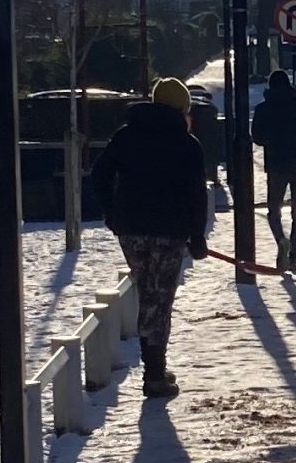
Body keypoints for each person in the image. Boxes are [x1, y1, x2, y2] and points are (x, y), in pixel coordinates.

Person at [88, 76, 210, 399]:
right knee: (160, 299)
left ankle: (154, 367)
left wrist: (112, 212)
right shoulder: (187, 144)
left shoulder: (126, 137)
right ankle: (154, 373)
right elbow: (198, 195)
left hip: (131, 230)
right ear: (181, 108)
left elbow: (99, 175)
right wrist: (197, 236)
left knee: (146, 294)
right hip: (170, 232)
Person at [251, 68, 296, 271]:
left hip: (276, 165)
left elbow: (256, 137)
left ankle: (281, 240)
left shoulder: (263, 109)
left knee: (274, 209)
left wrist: (274, 143)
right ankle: (294, 253)